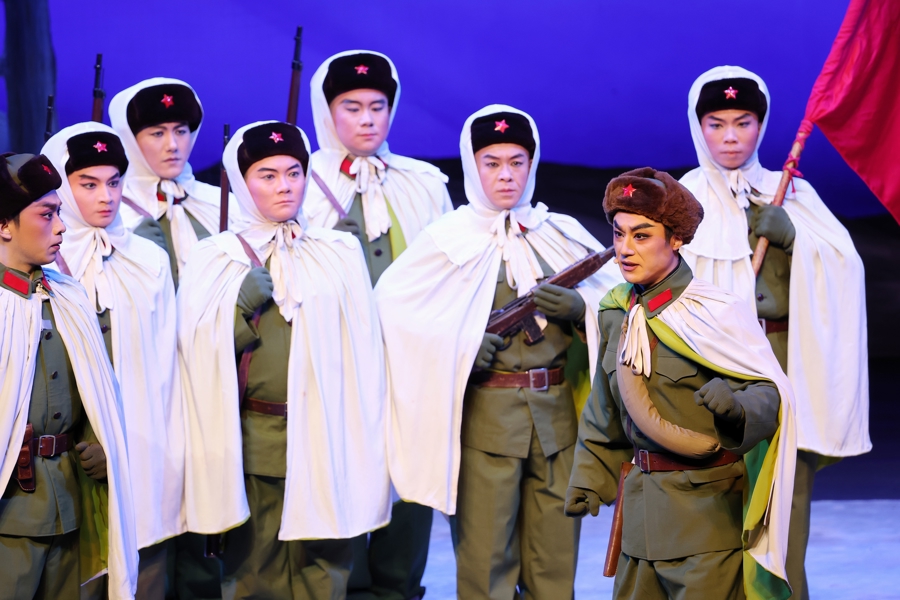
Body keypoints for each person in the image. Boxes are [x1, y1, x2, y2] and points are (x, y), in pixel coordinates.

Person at [375, 105, 621, 599]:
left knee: (555, 566)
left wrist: (582, 309)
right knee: (486, 567)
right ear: (472, 165)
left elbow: (620, 303)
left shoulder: (560, 233)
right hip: (485, 422)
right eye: (492, 163)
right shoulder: (447, 240)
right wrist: (462, 345)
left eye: (516, 162)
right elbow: (393, 314)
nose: (506, 175)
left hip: (556, 424)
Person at [177, 121, 392, 599]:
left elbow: (363, 350)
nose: (284, 186)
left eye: (294, 173)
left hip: (328, 435)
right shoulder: (215, 257)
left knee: (326, 570)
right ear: (241, 182)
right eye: (268, 175)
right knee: (256, 573)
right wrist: (237, 306)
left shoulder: (338, 251)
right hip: (257, 442)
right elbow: (192, 353)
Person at [678, 66, 870, 600]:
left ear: (761, 127)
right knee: (713, 503)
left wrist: (795, 239)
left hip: (784, 362)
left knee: (786, 505)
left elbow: (846, 268)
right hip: (713, 369)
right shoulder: (681, 199)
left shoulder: (792, 193)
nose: (731, 136)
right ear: (698, 127)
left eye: (743, 122)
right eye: (717, 124)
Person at [565, 167, 797, 599]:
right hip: (639, 522)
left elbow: (771, 394)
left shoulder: (714, 312)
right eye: (619, 234)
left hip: (704, 520)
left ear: (675, 240)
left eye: (641, 236)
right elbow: (605, 408)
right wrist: (589, 476)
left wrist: (738, 408)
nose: (625, 249)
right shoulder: (616, 312)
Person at [305, 50, 453, 600]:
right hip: (335, 368)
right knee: (342, 480)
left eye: (378, 106)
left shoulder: (424, 183)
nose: (368, 119)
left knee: (410, 479)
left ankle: (399, 587)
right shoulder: (301, 182)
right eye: (352, 107)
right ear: (327, 112)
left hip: (409, 366)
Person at [42, 122, 185, 600]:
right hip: (70, 459)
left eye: (114, 182)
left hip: (143, 449)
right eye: (88, 184)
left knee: (145, 575)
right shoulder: (41, 263)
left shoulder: (149, 259)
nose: (106, 196)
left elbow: (165, 369)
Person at [0, 152, 137, 599]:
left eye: (59, 212)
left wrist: (97, 441)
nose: (61, 226)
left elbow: (95, 391)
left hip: (68, 500)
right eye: (46, 214)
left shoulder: (68, 296)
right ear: (4, 225)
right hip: (10, 515)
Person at [109, 77, 238, 288]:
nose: (172, 145)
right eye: (158, 133)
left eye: (180, 131)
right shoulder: (110, 211)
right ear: (129, 139)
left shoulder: (223, 204)